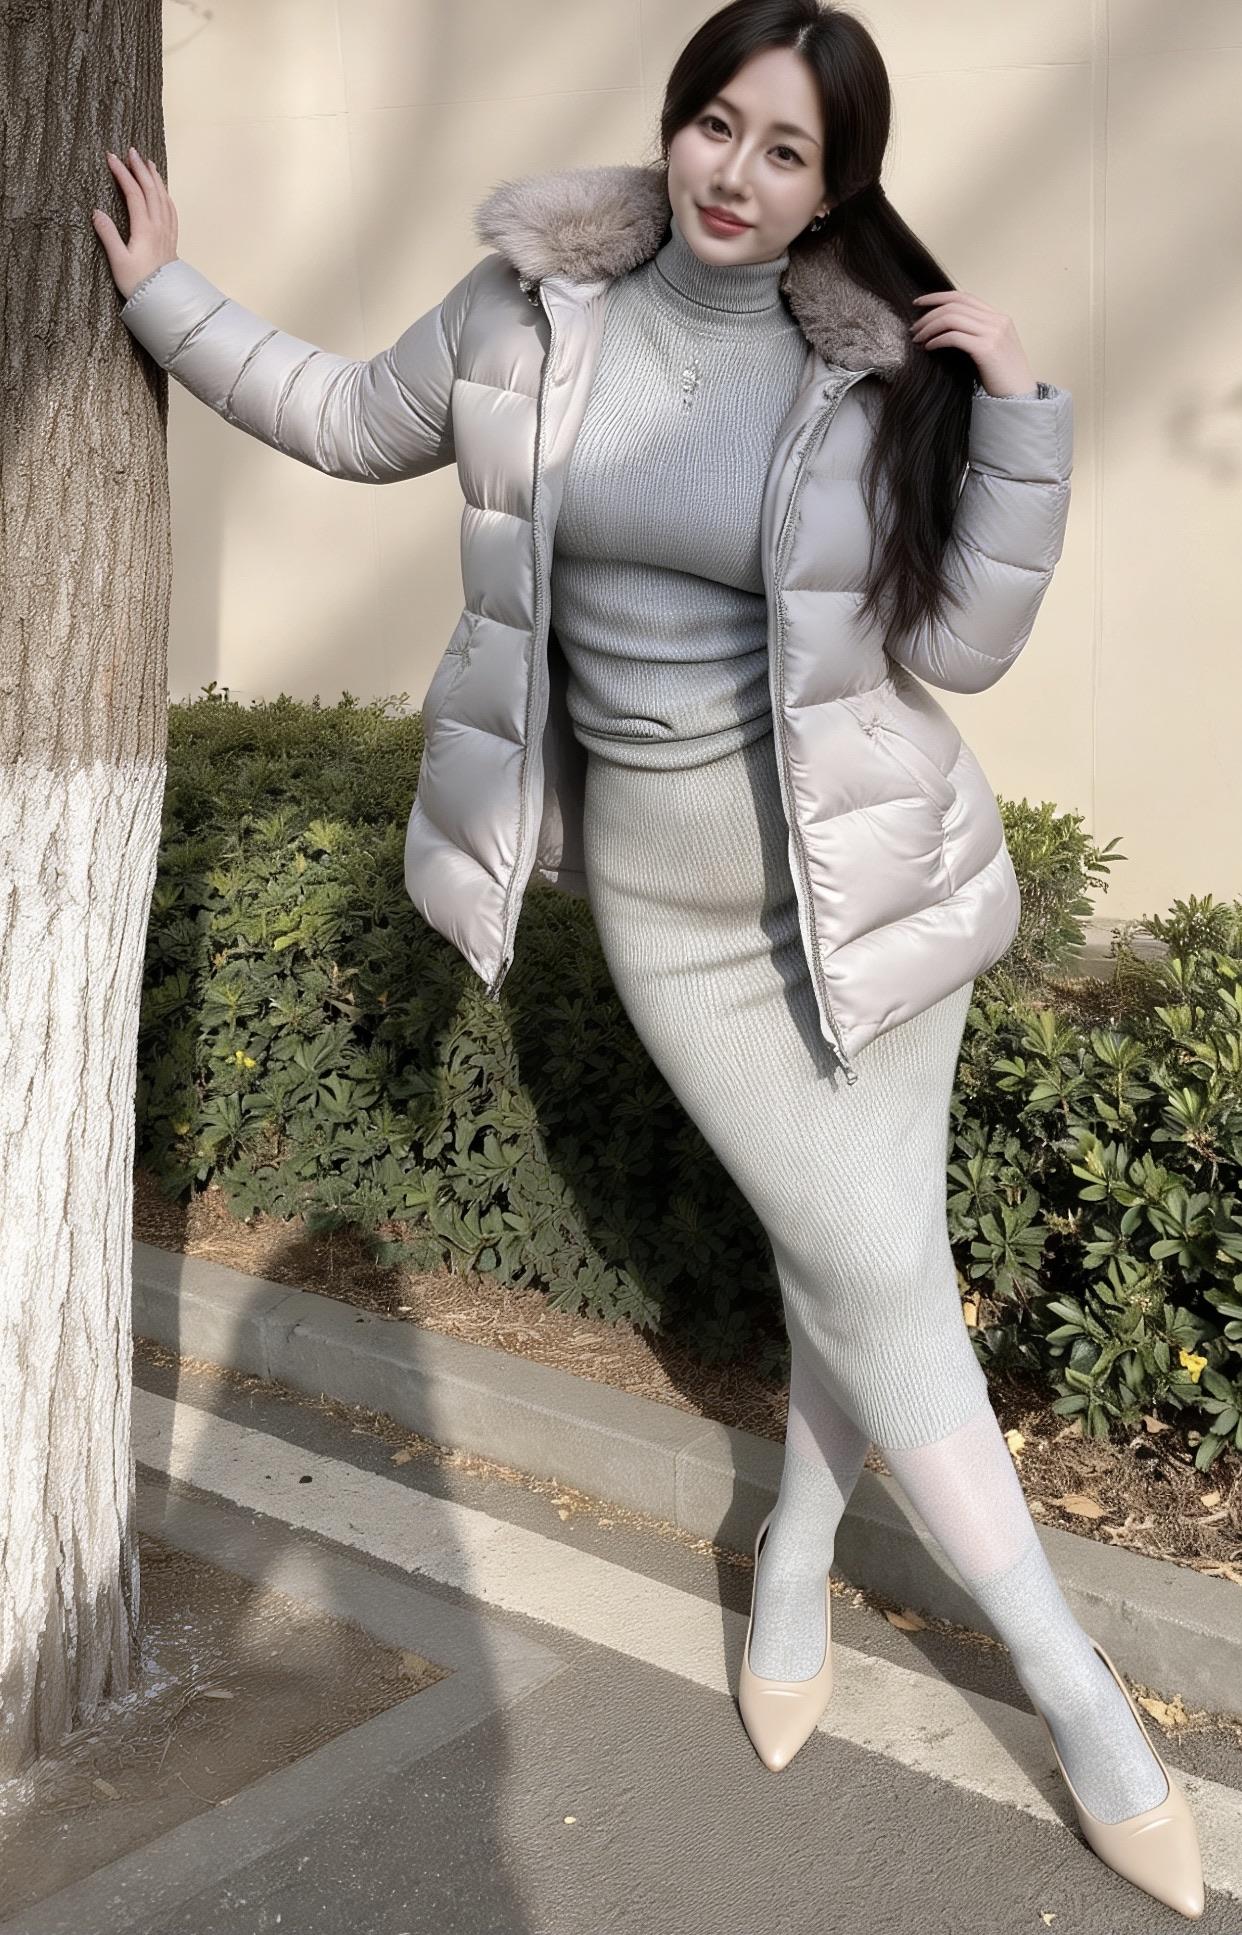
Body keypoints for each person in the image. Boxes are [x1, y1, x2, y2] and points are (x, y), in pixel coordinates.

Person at [92, 0, 1203, 1917]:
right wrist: (168, 299)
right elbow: (349, 420)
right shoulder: (526, 311)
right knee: (872, 1267)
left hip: (876, 891)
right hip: (676, 926)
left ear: (835, 189)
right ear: (671, 122)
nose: (733, 175)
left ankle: (863, 1594)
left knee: (859, 1263)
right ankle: (1039, 1675)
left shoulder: (870, 374)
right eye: (714, 124)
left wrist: (1020, 413)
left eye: (786, 151)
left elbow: (958, 652)